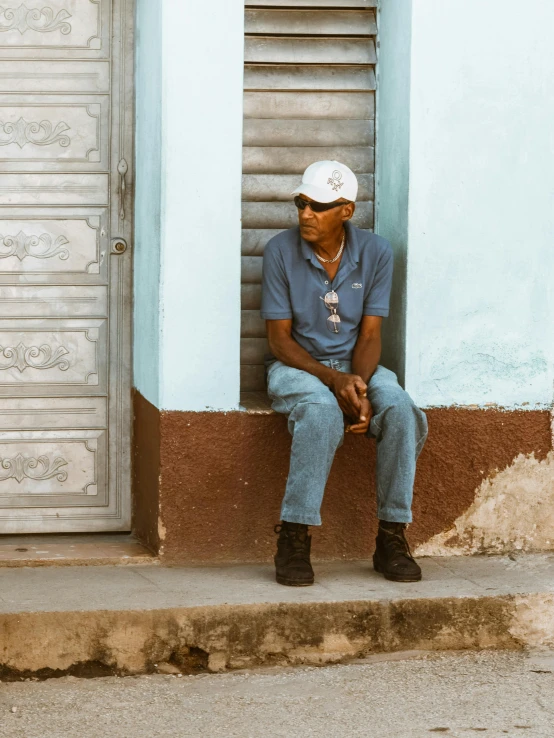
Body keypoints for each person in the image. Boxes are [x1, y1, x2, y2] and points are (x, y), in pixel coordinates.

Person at [260, 160, 428, 587]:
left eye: (318, 206)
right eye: (301, 203)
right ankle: (294, 537)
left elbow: (371, 334)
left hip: (358, 368)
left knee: (402, 412)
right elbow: (279, 340)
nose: (305, 214)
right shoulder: (281, 250)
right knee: (320, 413)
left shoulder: (376, 253)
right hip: (298, 367)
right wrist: (332, 380)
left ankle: (392, 536)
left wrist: (362, 384)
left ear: (346, 211)